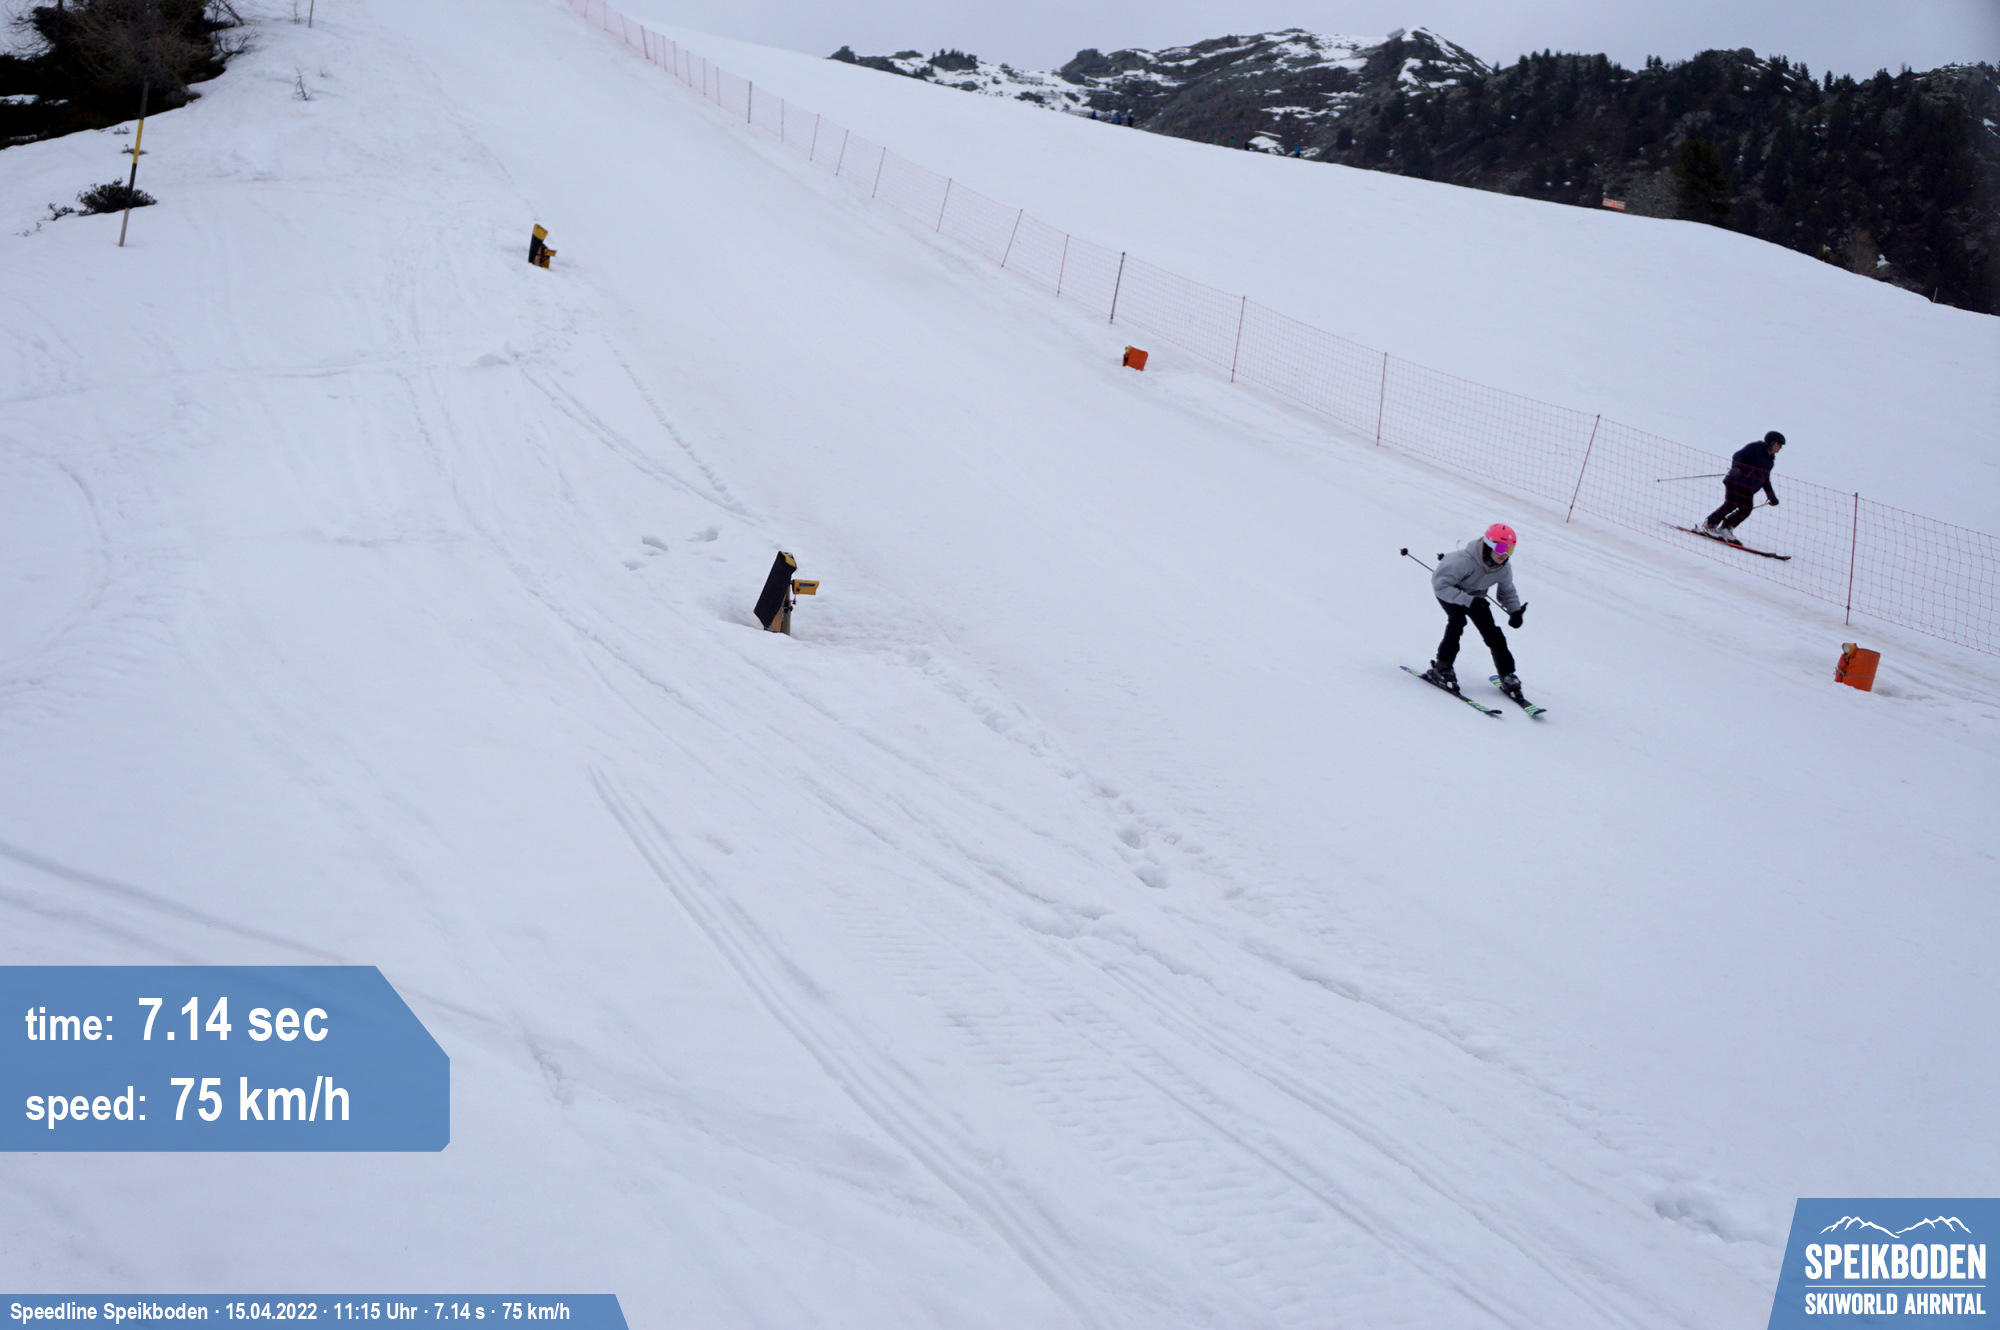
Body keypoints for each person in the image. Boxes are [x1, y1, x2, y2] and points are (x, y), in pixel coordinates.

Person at [1421, 524, 1527, 698]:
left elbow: (1506, 591)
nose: (1504, 554)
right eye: (1501, 548)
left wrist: (1515, 611)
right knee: (1457, 622)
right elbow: (1440, 586)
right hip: (1450, 593)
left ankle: (1507, 674)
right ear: (1489, 545)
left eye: (1510, 549)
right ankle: (1443, 667)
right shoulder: (1463, 561)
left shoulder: (1503, 568)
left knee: (1492, 633)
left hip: (1476, 598)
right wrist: (1468, 601)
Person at [1701, 431, 1785, 544]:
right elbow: (1738, 455)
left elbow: (1765, 480)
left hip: (1747, 489)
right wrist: (1736, 468)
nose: (1780, 447)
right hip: (1735, 481)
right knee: (1731, 504)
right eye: (1779, 444)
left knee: (1746, 509)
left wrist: (1771, 497)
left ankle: (1726, 528)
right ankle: (1709, 524)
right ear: (1771, 442)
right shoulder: (1756, 448)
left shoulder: (1770, 462)